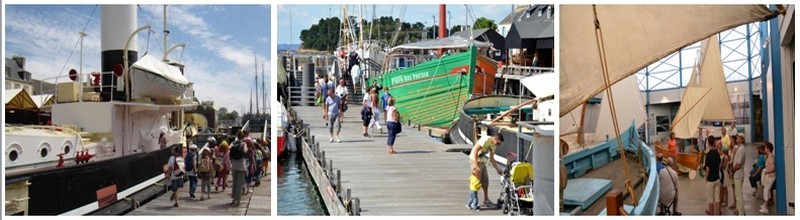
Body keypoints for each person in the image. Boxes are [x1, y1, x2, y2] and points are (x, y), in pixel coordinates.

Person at [470, 133, 504, 208]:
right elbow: (475, 150)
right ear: (495, 139)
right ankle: (473, 202)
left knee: (485, 181)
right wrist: (475, 165)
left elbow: (492, 158)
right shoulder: (486, 139)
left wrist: (497, 169)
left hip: (482, 161)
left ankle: (486, 199)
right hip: (474, 160)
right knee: (476, 182)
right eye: (498, 143)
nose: (498, 145)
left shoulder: (493, 145)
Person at [230, 131, 249, 206]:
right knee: (240, 184)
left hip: (234, 165)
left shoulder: (233, 143)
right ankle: (238, 200)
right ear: (243, 137)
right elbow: (245, 151)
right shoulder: (244, 143)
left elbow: (229, 150)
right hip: (241, 165)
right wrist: (246, 149)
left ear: (237, 136)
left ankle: (233, 199)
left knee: (234, 182)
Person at [704, 137, 721, 215]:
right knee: (717, 198)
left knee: (710, 198)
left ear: (708, 143)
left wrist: (706, 178)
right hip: (717, 178)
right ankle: (717, 212)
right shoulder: (717, 153)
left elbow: (707, 169)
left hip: (710, 179)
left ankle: (711, 212)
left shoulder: (708, 155)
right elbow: (719, 165)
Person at [730, 135, 746, 215]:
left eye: (739, 137)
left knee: (739, 195)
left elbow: (738, 164)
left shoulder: (741, 149)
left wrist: (732, 170)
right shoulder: (739, 148)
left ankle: (741, 213)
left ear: (742, 140)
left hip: (738, 174)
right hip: (737, 174)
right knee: (737, 194)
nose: (737, 138)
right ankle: (741, 210)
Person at [759, 141, 776, 214]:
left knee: (766, 190)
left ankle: (765, 207)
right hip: (768, 175)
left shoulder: (771, 157)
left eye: (765, 147)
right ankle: (765, 204)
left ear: (768, 149)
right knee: (766, 189)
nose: (764, 149)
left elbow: (773, 168)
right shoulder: (768, 156)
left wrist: (767, 172)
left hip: (771, 176)